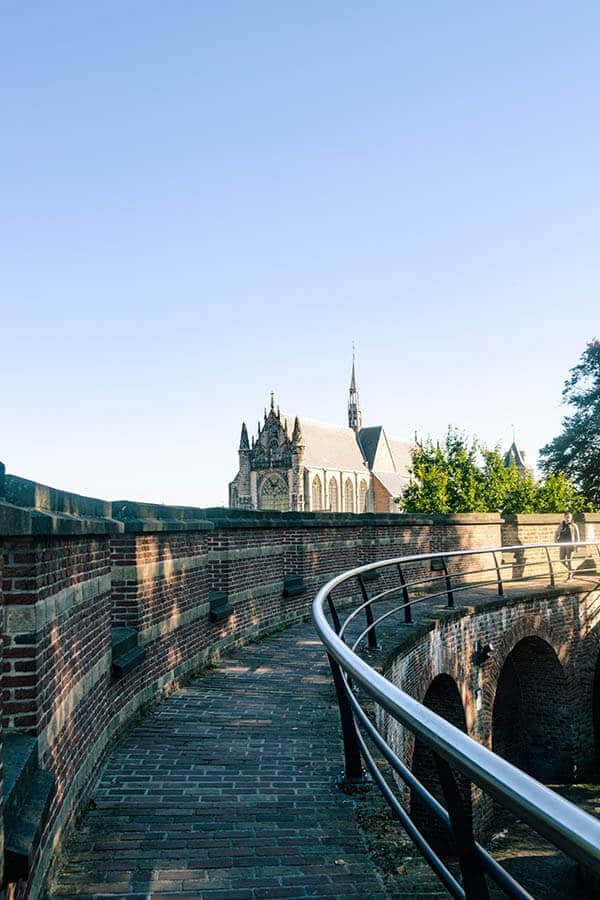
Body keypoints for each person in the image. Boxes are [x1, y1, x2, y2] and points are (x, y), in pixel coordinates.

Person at [555, 512, 580, 580]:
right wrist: (556, 540)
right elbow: (556, 533)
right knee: (562, 560)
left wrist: (577, 546)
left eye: (569, 517)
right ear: (564, 517)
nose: (568, 518)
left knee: (569, 560)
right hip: (563, 545)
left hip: (571, 545)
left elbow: (577, 537)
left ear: (571, 518)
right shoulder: (561, 525)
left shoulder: (574, 525)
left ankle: (570, 576)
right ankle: (571, 570)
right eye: (566, 517)